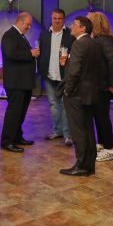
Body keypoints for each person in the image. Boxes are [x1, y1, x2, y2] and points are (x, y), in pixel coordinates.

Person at [60, 16, 103, 176]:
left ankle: (81, 165)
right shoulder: (94, 43)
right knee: (88, 130)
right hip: (90, 94)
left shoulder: (78, 44)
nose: (72, 26)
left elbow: (74, 71)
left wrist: (67, 90)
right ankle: (89, 165)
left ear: (83, 28)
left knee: (78, 131)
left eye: (75, 24)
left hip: (77, 95)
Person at [0, 12, 41, 153]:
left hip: (23, 82)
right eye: (27, 25)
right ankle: (7, 141)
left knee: (20, 112)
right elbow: (11, 54)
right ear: (20, 22)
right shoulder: (10, 35)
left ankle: (17, 137)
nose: (29, 27)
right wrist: (30, 53)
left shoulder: (19, 35)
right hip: (16, 82)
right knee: (14, 113)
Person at [38, 9, 75, 146]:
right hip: (49, 76)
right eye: (55, 18)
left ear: (63, 19)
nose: (57, 21)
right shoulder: (44, 34)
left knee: (65, 106)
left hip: (64, 77)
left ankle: (68, 135)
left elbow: (75, 55)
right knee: (54, 105)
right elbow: (40, 53)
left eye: (60, 18)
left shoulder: (70, 35)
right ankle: (57, 131)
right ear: (51, 18)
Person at [87, 11, 113, 162]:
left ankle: (109, 149)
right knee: (98, 116)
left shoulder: (105, 39)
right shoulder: (97, 39)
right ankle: (101, 143)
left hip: (104, 85)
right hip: (96, 85)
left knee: (103, 117)